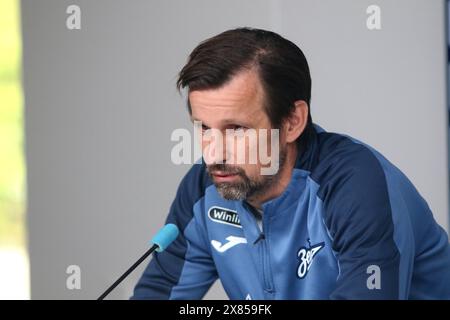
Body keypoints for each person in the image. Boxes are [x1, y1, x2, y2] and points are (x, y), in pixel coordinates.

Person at [132, 27, 450, 299]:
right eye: (203, 128)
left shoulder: (357, 185)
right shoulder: (204, 188)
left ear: (292, 122)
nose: (214, 155)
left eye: (236, 129)